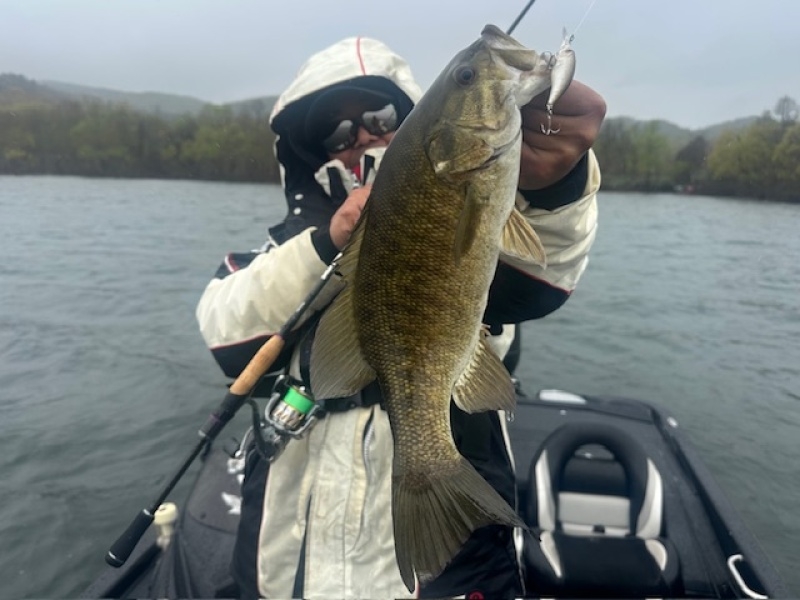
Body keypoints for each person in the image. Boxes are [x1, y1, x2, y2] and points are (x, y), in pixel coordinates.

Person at [196, 33, 605, 600]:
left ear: (412, 118)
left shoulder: (496, 193)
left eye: (380, 117)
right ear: (310, 153)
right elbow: (222, 329)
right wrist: (325, 242)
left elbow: (545, 269)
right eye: (337, 132)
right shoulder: (278, 253)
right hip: (284, 569)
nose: (362, 136)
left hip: (450, 576)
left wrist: (555, 186)